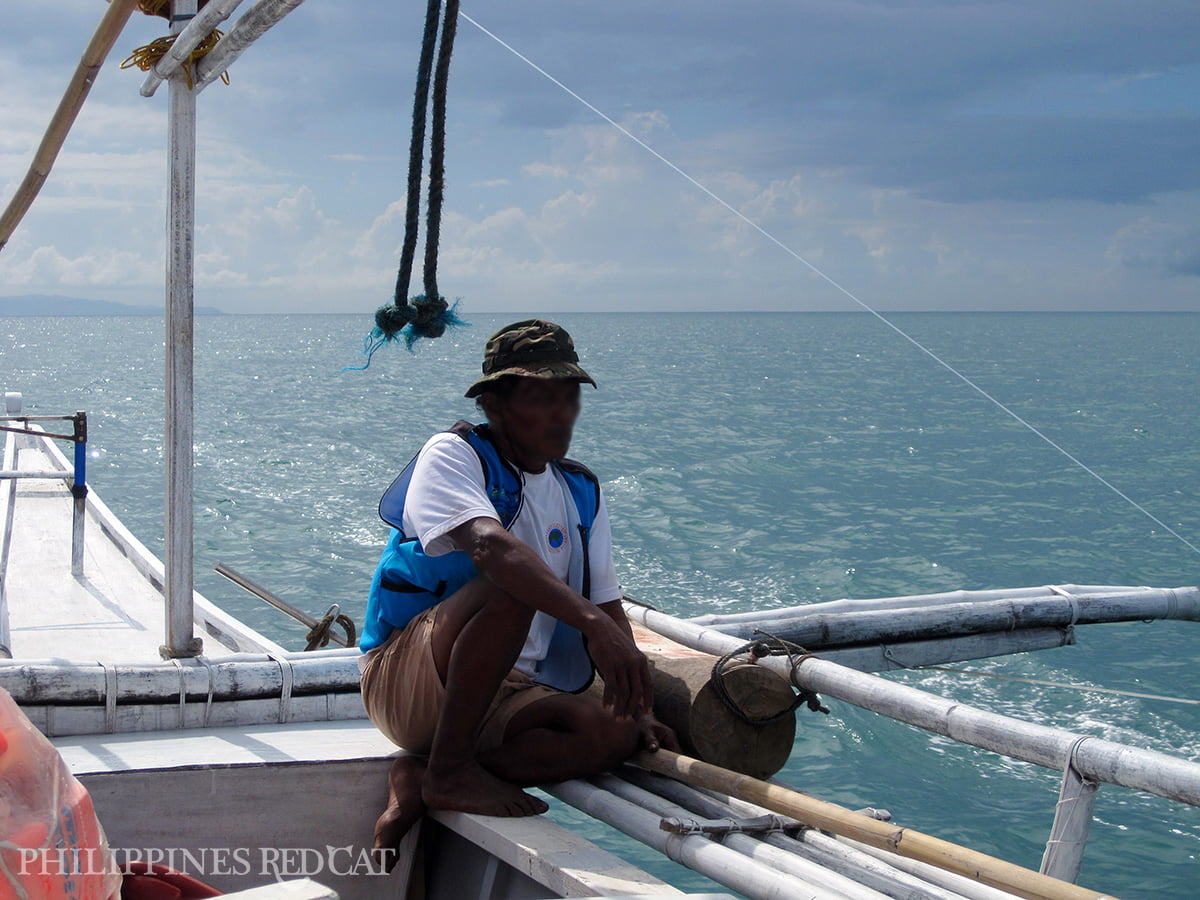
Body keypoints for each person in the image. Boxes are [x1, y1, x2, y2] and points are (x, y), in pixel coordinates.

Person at [359, 319, 677, 862]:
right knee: (510, 587)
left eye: (569, 396)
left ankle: (425, 774)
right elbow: (490, 549)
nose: (562, 414)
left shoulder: (580, 490)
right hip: (409, 680)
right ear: (494, 405)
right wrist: (592, 626)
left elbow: (605, 602)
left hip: (504, 690)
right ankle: (451, 769)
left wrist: (638, 706)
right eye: (540, 397)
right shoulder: (455, 455)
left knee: (610, 738)